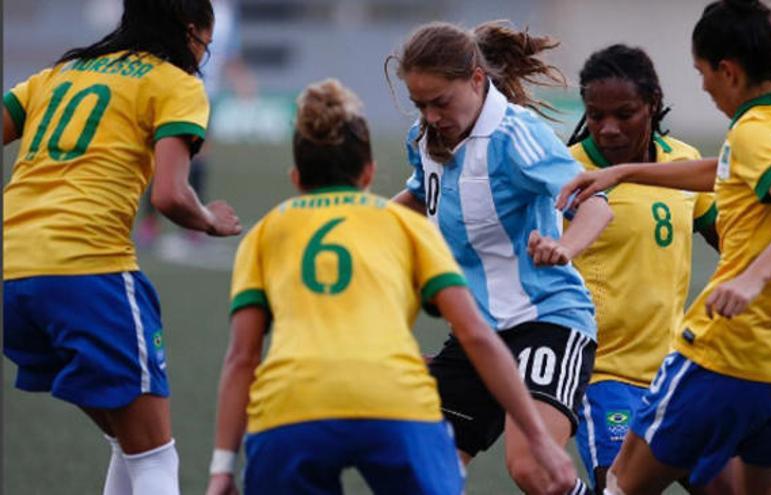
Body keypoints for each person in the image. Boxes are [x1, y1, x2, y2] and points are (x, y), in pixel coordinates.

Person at [204, 78, 576, 495]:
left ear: (296, 178)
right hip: (394, 403)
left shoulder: (266, 233)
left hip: (289, 410)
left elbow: (242, 357)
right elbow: (475, 333)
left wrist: (222, 468)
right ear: (369, 172)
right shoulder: (405, 226)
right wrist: (538, 438)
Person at [558, 1, 771, 493]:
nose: (704, 86)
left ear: (728, 71)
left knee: (623, 485)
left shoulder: (752, 131)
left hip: (729, 350)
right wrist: (625, 172)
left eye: (702, 72)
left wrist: (751, 278)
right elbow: (734, 169)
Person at [2, 1, 242, 494]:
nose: (204, 54)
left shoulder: (62, 73)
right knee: (155, 456)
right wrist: (209, 220)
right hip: (87, 269)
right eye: (207, 42)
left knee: (130, 443)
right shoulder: (174, 83)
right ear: (191, 32)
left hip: (12, 274)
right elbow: (170, 195)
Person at [388, 21, 613, 495]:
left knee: (534, 470)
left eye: (440, 102)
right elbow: (418, 197)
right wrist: (357, 226)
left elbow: (595, 204)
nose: (430, 116)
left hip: (547, 322)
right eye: (419, 104)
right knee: (421, 473)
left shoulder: (516, 135)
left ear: (476, 80)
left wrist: (564, 247)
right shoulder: (424, 139)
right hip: (477, 333)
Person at [564, 44, 720, 495]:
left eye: (625, 114)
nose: (608, 128)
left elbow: (732, 243)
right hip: (604, 375)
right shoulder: (566, 172)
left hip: (675, 374)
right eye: (596, 116)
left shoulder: (683, 163)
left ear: (652, 103)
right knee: (618, 487)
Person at [136, 0, 256, 254]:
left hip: (204, 96)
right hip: (173, 90)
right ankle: (150, 223)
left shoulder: (225, 15)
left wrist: (241, 81)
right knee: (162, 155)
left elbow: (230, 54)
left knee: (199, 157)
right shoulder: (184, 6)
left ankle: (192, 225)